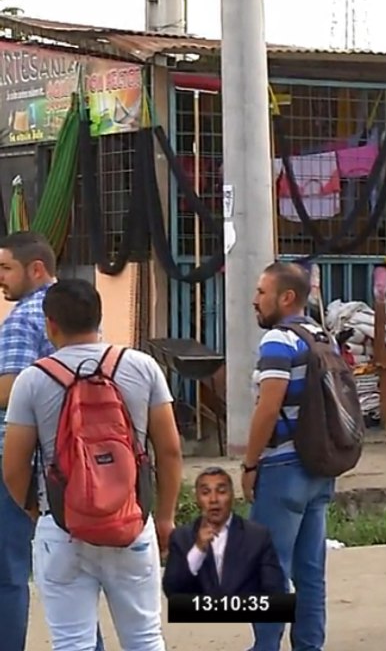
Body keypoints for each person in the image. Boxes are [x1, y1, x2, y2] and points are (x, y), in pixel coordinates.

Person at [1, 279, 183, 651]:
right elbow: (169, 451)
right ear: (99, 318)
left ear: (50, 324)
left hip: (63, 528)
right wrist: (164, 516)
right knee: (145, 638)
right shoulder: (142, 366)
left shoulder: (32, 380)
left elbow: (14, 464)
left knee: (72, 643)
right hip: (131, 524)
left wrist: (37, 512)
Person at [0, 232, 105, 651]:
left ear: (36, 268)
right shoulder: (78, 315)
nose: (1, 279)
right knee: (74, 573)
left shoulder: (23, 319)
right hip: (73, 463)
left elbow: (7, 392)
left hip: (19, 460)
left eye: (6, 268)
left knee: (7, 574)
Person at [242, 261, 337, 651]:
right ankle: (308, 646)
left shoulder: (278, 341)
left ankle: (265, 646)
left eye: (262, 293)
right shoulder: (321, 336)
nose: (254, 300)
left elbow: (269, 406)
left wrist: (249, 463)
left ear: (286, 297)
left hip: (282, 468)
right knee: (310, 569)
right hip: (319, 466)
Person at [163, 466, 287, 596]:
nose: (214, 500)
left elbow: (275, 591)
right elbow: (172, 590)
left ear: (232, 496)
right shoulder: (182, 537)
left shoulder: (257, 536)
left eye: (221, 492)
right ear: (197, 499)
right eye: (206, 493)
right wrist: (198, 551)